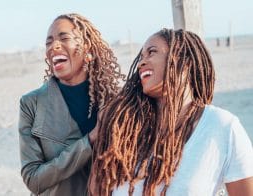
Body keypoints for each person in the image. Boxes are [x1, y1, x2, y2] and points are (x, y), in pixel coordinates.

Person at [89, 28, 253, 196]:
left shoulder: (221, 126)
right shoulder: (124, 130)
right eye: (141, 57)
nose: (141, 63)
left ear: (184, 61)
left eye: (151, 52)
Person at [18, 13, 124, 195]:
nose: (54, 46)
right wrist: (90, 140)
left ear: (87, 47)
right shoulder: (31, 104)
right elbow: (33, 179)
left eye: (64, 38)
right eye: (48, 42)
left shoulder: (116, 102)